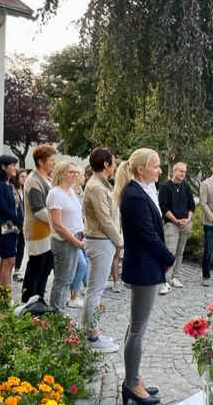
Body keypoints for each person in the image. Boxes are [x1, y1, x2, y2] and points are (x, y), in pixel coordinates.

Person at [114, 148, 175, 404]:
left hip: (146, 265)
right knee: (138, 329)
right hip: (144, 267)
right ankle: (131, 384)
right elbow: (147, 235)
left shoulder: (140, 191)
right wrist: (168, 258)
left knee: (136, 326)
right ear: (141, 169)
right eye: (156, 166)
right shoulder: (135, 196)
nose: (160, 170)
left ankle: (134, 378)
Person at [82, 147, 123, 353]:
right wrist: (119, 241)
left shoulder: (101, 184)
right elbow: (105, 219)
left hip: (103, 240)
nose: (115, 166)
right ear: (106, 164)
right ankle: (91, 336)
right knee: (95, 290)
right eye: (113, 162)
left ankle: (92, 330)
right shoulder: (96, 187)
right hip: (100, 241)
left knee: (95, 290)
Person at [47, 161, 85, 311]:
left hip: (76, 237)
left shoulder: (71, 191)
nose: (74, 175)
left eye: (76, 173)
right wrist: (76, 241)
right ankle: (56, 311)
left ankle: (59, 309)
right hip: (64, 240)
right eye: (71, 172)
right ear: (61, 173)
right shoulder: (55, 193)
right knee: (62, 279)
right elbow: (57, 224)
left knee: (69, 277)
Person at [21, 145, 57, 303]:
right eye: (51, 160)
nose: (54, 163)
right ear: (41, 162)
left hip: (47, 231)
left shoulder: (47, 179)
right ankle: (28, 301)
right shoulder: (33, 181)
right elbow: (38, 210)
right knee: (36, 266)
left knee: (46, 267)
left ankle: (39, 299)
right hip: (37, 231)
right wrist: (57, 221)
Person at [157, 161, 195, 294]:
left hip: (185, 224)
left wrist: (187, 219)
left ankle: (175, 277)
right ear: (174, 171)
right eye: (180, 171)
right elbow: (164, 207)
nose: (183, 174)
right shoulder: (165, 187)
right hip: (171, 224)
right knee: (169, 252)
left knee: (180, 252)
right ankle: (163, 280)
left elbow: (191, 206)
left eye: (184, 172)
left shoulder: (186, 187)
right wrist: (176, 220)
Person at [0, 155, 23, 290]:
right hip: (3, 227)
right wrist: (18, 220)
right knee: (9, 260)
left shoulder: (9, 184)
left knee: (6, 260)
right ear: (3, 167)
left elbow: (16, 205)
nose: (15, 168)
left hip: (12, 227)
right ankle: (5, 291)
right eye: (13, 165)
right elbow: (2, 208)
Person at [68, 165, 89, 308]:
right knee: (81, 265)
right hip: (72, 233)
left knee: (84, 263)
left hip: (80, 232)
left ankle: (82, 291)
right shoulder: (71, 192)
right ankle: (72, 296)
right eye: (81, 175)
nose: (84, 178)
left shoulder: (78, 191)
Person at [12, 169, 28, 282]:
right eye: (22, 176)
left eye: (25, 177)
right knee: (13, 247)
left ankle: (17, 271)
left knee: (21, 247)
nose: (25, 179)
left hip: (24, 223)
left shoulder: (25, 190)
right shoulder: (13, 189)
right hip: (15, 222)